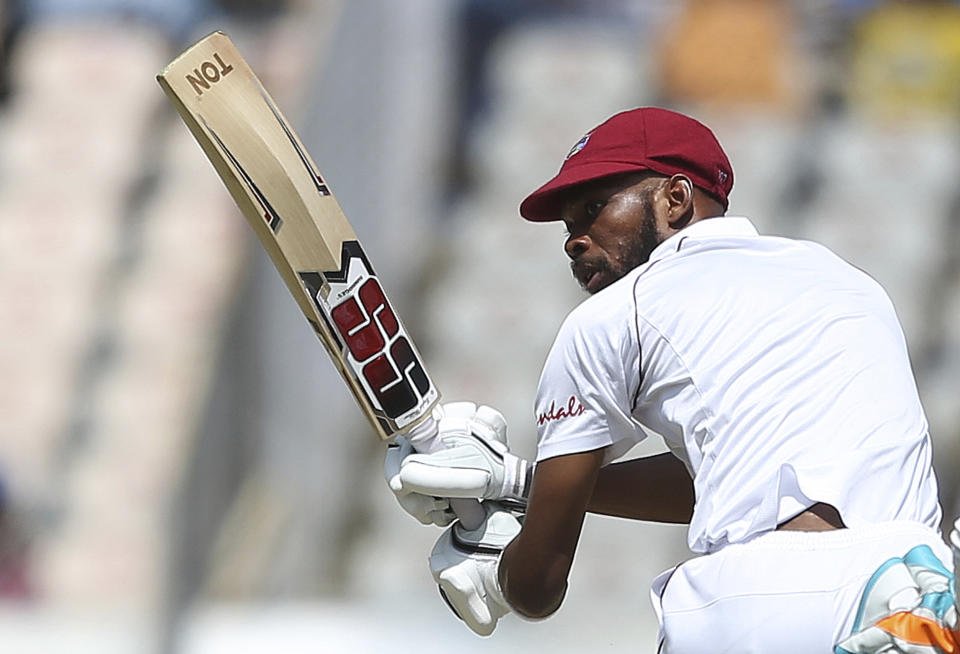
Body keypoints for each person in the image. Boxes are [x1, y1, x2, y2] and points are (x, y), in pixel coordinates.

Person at [385, 107, 960, 652]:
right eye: (567, 227)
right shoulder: (848, 280)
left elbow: (537, 589)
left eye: (594, 209)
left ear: (675, 197)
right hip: (907, 591)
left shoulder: (609, 318)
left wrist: (493, 564)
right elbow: (725, 480)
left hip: (751, 606)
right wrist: (517, 482)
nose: (573, 240)